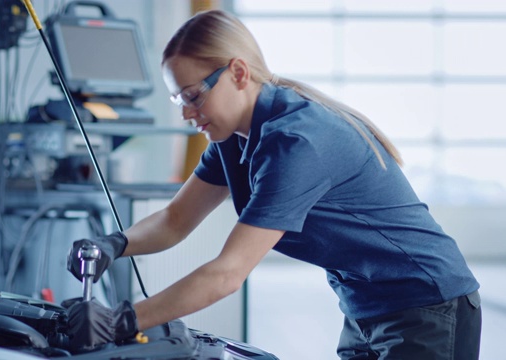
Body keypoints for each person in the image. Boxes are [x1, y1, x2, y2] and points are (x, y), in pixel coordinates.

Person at [64, 9, 482, 359]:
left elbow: (227, 274)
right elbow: (176, 219)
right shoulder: (232, 137)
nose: (187, 114)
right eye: (180, 100)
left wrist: (123, 321)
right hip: (364, 306)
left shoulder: (297, 142)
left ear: (238, 73)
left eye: (193, 96)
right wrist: (113, 244)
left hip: (428, 305)